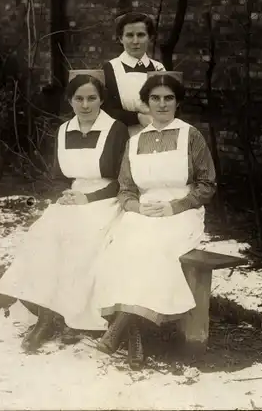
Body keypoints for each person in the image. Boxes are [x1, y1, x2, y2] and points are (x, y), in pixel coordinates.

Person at [0, 70, 129, 353]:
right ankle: (27, 305)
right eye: (79, 98)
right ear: (70, 100)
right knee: (41, 234)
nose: (85, 105)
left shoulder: (115, 129)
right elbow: (57, 176)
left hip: (107, 199)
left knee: (78, 240)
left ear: (101, 100)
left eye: (92, 98)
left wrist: (88, 197)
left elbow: (123, 180)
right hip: (73, 198)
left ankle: (42, 315)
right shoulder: (64, 130)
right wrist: (65, 195)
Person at [94, 71, 216, 370]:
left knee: (155, 249)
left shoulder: (191, 136)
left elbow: (207, 185)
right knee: (119, 248)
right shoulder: (135, 141)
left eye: (168, 98)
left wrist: (176, 206)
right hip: (143, 213)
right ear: (146, 103)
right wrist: (136, 207)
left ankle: (121, 327)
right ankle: (135, 335)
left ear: (177, 102)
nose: (162, 104)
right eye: (155, 99)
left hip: (181, 214)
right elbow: (125, 188)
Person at [103, 11, 165, 135]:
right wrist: (138, 117)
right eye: (130, 35)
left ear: (150, 37)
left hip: (157, 136)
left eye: (141, 35)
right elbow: (105, 110)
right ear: (121, 38)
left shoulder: (159, 68)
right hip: (123, 137)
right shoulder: (111, 68)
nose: (135, 41)